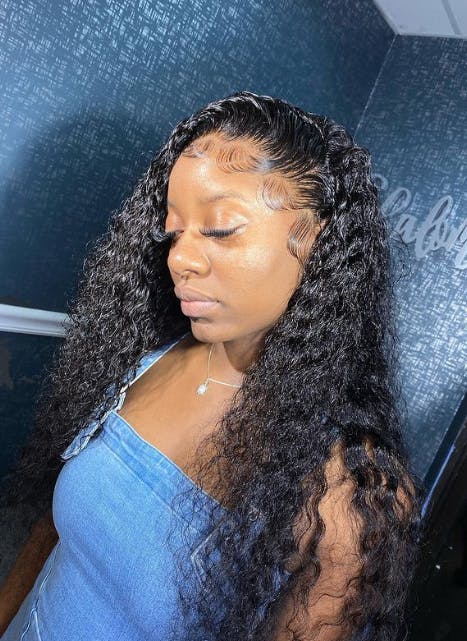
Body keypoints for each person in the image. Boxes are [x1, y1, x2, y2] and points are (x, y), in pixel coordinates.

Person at [0, 91, 423, 641]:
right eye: (173, 232)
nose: (179, 257)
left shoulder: (349, 493)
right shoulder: (148, 360)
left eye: (220, 228)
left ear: (319, 242)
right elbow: (51, 535)